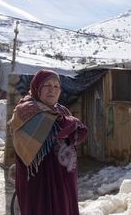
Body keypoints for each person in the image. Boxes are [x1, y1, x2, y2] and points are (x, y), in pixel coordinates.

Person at [9, 69, 88, 215]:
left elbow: (81, 132)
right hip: (39, 181)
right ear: (37, 88)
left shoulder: (61, 110)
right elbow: (56, 129)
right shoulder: (26, 110)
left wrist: (69, 124)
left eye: (56, 86)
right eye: (47, 85)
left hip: (63, 177)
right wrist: (72, 123)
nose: (52, 90)